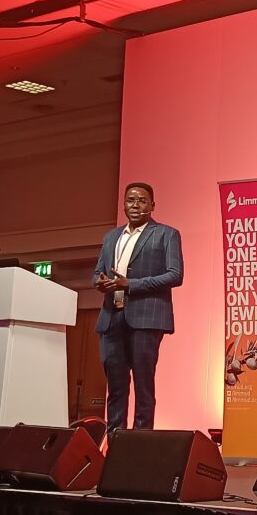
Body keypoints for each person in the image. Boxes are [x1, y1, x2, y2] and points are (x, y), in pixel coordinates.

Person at [93, 183, 183, 433]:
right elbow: (97, 272)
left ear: (152, 205)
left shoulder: (166, 234)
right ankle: (114, 444)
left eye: (142, 200)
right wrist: (100, 282)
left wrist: (130, 284)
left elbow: (175, 275)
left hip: (146, 318)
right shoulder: (111, 237)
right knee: (116, 387)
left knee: (144, 387)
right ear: (124, 204)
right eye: (130, 200)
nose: (135, 205)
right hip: (112, 317)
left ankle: (140, 446)